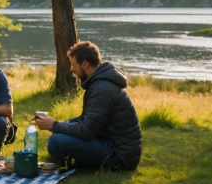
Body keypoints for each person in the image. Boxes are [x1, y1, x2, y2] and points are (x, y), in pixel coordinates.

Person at [35, 41, 142, 171]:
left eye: (73, 65)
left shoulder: (102, 89)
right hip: (112, 146)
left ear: (85, 64)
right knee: (59, 135)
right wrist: (58, 125)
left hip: (119, 156)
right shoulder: (99, 84)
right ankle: (63, 164)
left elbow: (86, 131)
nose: (72, 69)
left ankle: (59, 165)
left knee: (56, 141)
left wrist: (54, 125)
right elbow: (85, 120)